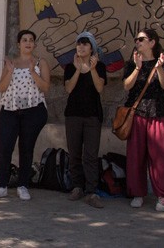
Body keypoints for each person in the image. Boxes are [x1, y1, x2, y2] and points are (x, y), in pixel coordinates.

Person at [124, 28, 164, 214]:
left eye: (142, 39)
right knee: (136, 155)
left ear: (152, 42)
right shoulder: (132, 62)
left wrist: (159, 68)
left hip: (156, 112)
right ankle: (137, 193)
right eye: (136, 39)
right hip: (137, 113)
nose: (138, 42)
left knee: (161, 156)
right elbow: (127, 85)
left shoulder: (161, 62)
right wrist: (137, 67)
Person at [0, 30, 50, 202]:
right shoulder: (11, 63)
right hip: (10, 109)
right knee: (5, 147)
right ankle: (1, 185)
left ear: (34, 44)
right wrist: (9, 71)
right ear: (18, 44)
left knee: (26, 148)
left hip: (33, 110)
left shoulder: (40, 62)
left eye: (31, 40)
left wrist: (33, 72)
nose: (28, 43)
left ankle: (23, 185)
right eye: (24, 40)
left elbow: (45, 87)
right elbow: (1, 88)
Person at [64, 32, 106, 208]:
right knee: (74, 153)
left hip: (92, 116)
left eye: (85, 44)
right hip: (73, 115)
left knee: (90, 154)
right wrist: (77, 69)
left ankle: (92, 191)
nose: (81, 47)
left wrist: (93, 69)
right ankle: (77, 187)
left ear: (92, 48)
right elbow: (69, 88)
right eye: (79, 44)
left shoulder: (100, 66)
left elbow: (99, 88)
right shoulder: (69, 66)